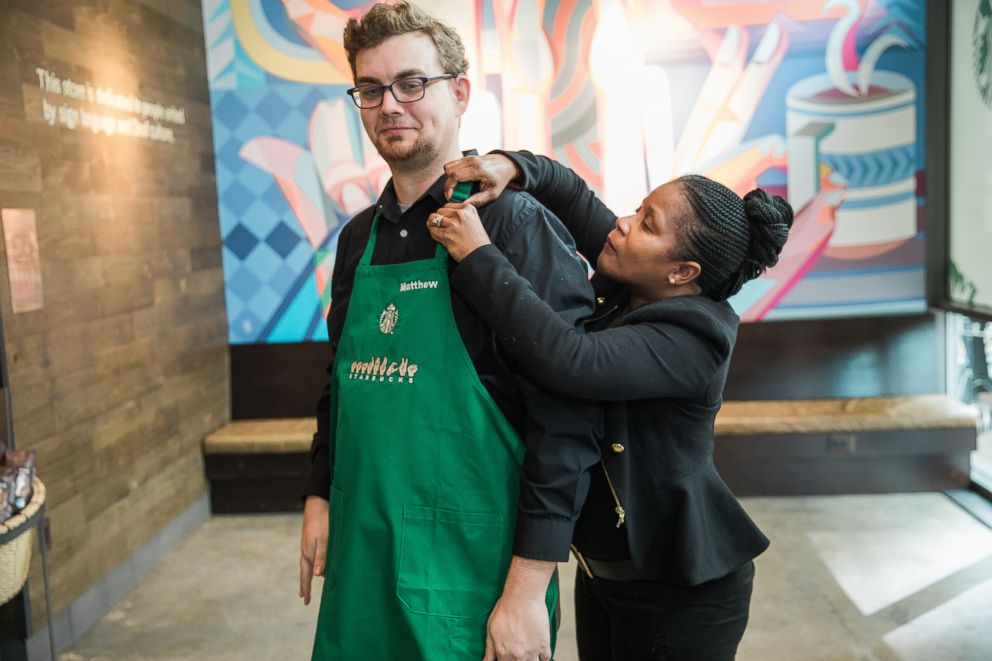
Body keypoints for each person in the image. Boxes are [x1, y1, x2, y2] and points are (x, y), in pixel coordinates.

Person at [297, 6, 602, 661]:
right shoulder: (357, 239)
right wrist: (319, 492)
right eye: (370, 90)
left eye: (412, 83)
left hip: (473, 579)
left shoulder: (515, 227)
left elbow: (568, 414)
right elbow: (342, 382)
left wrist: (527, 589)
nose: (390, 105)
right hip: (363, 567)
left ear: (459, 92)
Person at [428, 151, 791, 661]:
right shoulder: (635, 276)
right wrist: (510, 166)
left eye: (647, 224)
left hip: (682, 595)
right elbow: (573, 195)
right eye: (637, 208)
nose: (622, 224)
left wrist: (479, 255)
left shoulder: (696, 338)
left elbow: (571, 361)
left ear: (682, 271)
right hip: (605, 575)